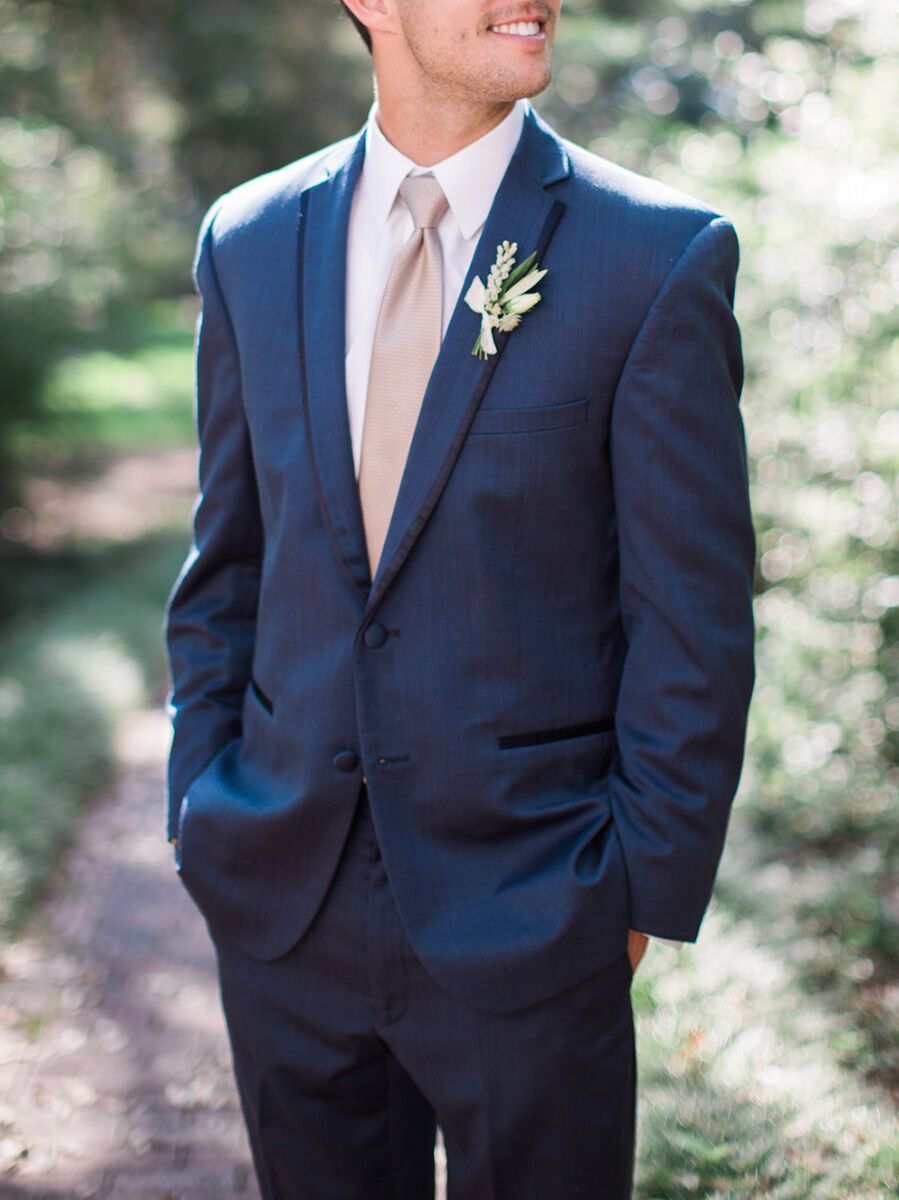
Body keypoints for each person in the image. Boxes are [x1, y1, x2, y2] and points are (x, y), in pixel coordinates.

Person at [163, 1, 756, 1196]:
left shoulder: (655, 253)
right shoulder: (249, 238)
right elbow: (227, 563)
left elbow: (693, 620)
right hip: (281, 897)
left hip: (537, 910)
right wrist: (203, 807)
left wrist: (632, 896)